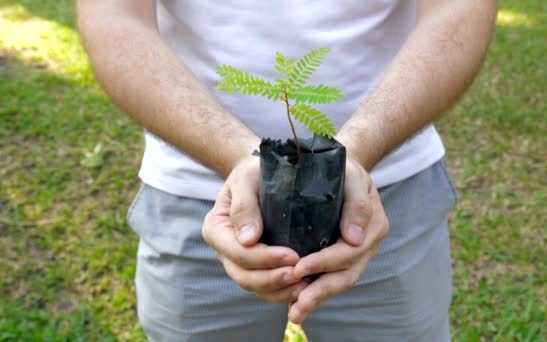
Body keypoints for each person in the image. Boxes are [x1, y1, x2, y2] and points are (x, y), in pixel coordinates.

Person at [78, 0, 496, 341]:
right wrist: (240, 157)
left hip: (389, 194)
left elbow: (459, 9)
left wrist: (353, 153)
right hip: (198, 201)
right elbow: (112, 17)